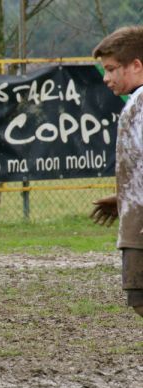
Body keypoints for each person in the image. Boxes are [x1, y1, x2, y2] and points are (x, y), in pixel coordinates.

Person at [90, 26, 143, 317]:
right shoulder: (135, 103)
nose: (106, 78)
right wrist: (123, 198)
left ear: (136, 65)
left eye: (111, 69)